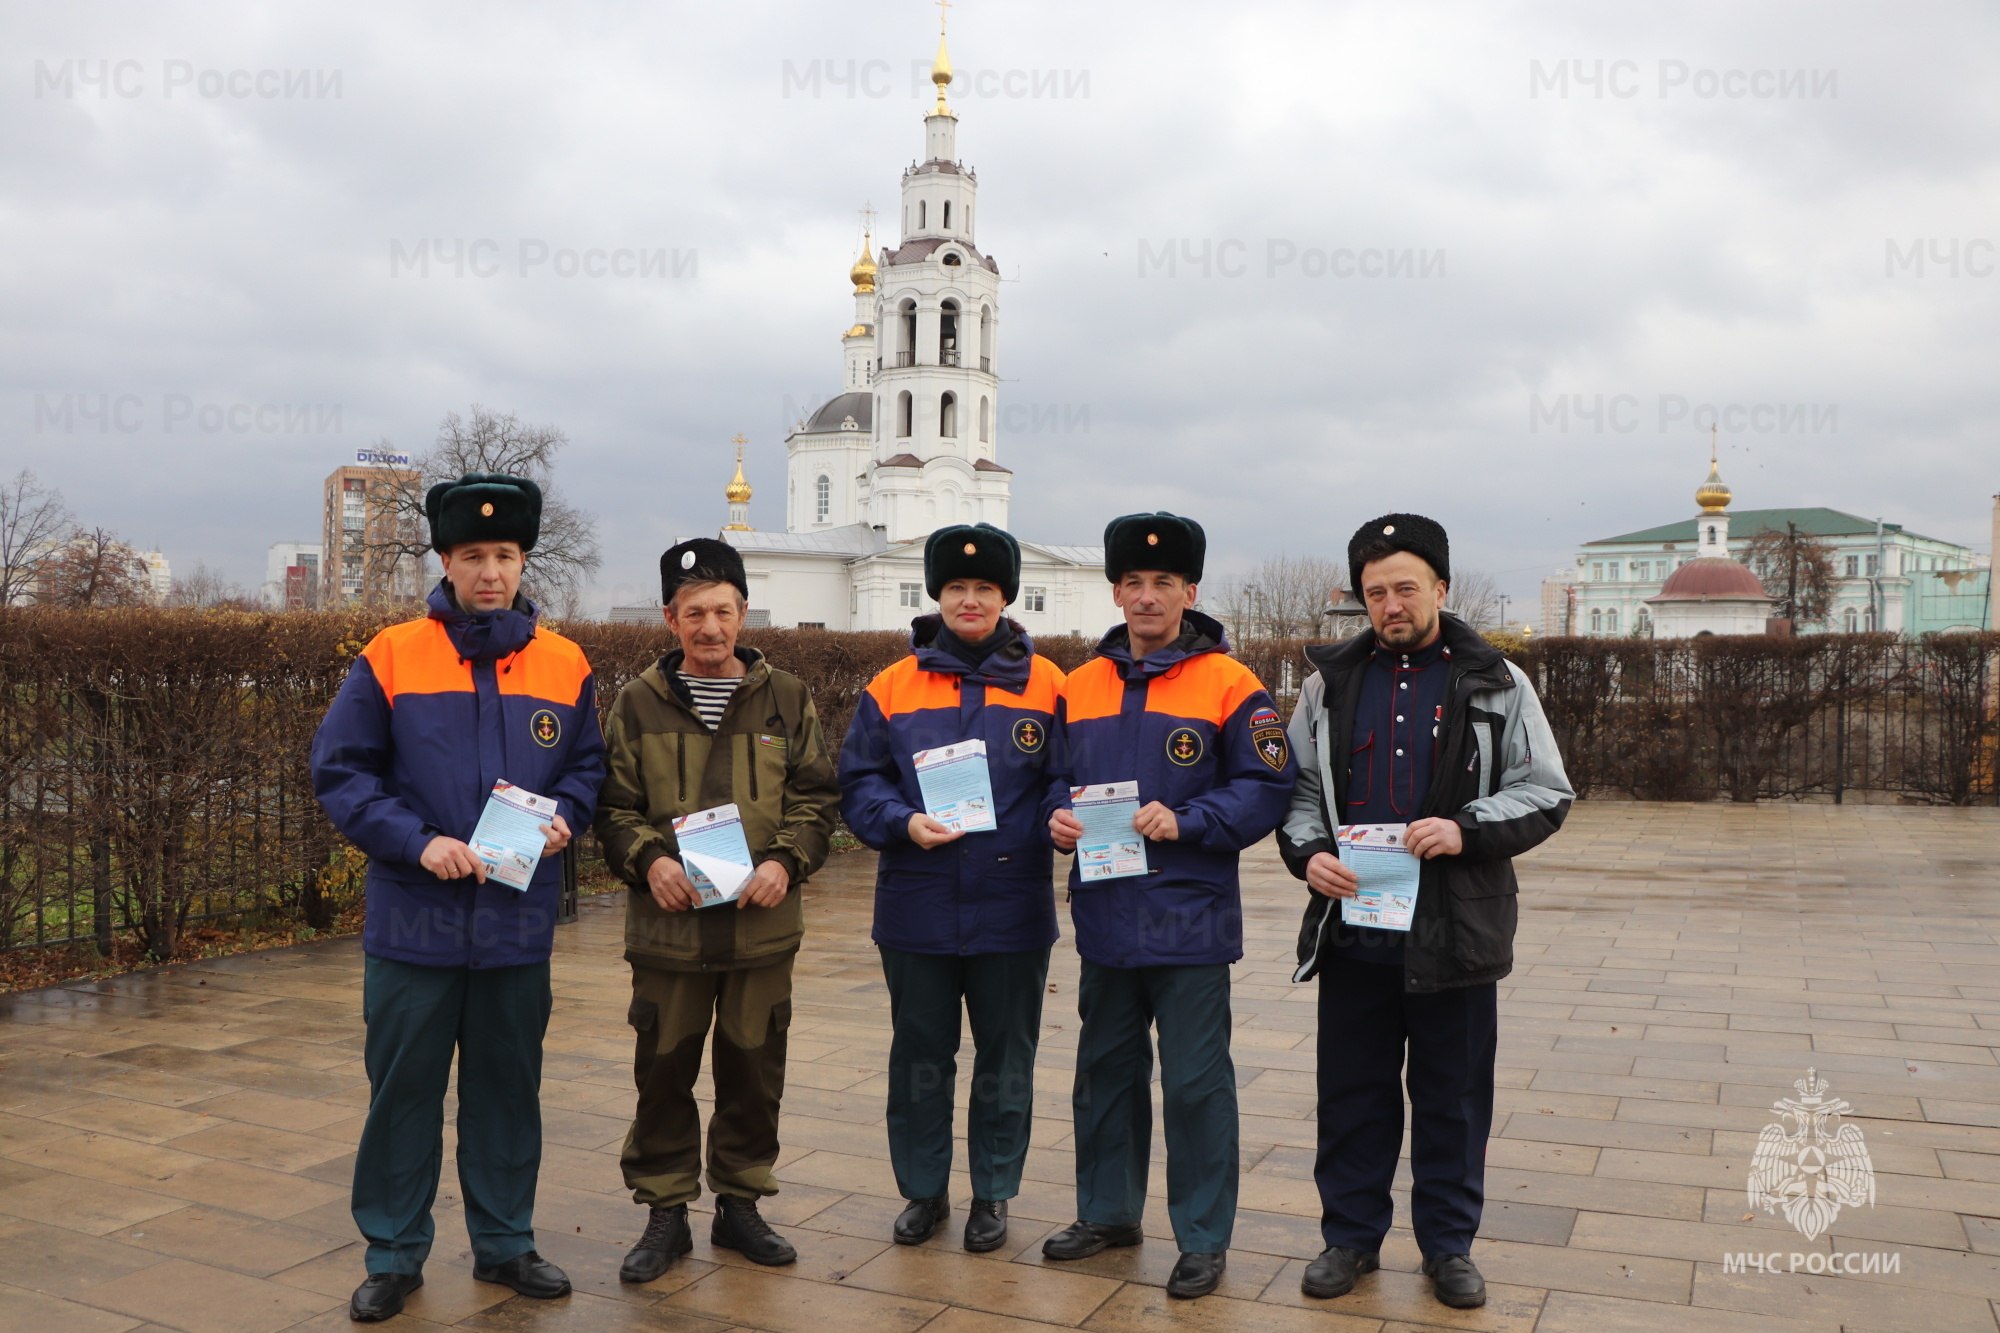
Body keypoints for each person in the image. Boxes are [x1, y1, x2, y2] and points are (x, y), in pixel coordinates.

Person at [311, 472, 606, 1322]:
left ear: (522, 562)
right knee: (403, 1091)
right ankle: (394, 1252)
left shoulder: (565, 662)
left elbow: (587, 766)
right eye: (473, 554)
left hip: (515, 926)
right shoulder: (392, 653)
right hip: (415, 924)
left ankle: (506, 1240)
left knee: (509, 1088)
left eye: (505, 555)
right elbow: (342, 771)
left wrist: (567, 817)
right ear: (445, 559)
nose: (490, 571)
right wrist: (418, 840)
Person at [1279, 513, 1573, 1312]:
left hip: (1457, 933)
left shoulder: (1499, 683)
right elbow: (1300, 794)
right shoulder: (1326, 686)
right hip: (1357, 933)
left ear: (1441, 587)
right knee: (1352, 1094)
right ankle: (1349, 1238)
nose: (1390, 604)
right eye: (1375, 592)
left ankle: (1448, 1247)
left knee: (1452, 1099)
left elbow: (1547, 790)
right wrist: (1310, 856)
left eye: (1405, 587)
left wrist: (1464, 827)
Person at [1040, 512, 1296, 1300]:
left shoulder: (1232, 683)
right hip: (1107, 919)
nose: (1148, 596)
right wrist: (1057, 817)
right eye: (1134, 582)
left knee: (1194, 1085)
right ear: (1116, 589)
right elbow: (1051, 778)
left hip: (1190, 919)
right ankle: (1109, 1213)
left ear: (1190, 589)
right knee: (1106, 1074)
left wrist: (1189, 821)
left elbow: (1266, 788)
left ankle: (1203, 1236)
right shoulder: (1078, 685)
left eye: (1164, 583)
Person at [594, 537, 841, 1282]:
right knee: (662, 1071)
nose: (710, 627)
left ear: (742, 613)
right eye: (694, 612)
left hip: (760, 930)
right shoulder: (637, 701)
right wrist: (649, 859)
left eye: (723, 611)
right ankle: (665, 1210)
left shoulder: (786, 696)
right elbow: (611, 806)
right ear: (671, 617)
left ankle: (741, 1203)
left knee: (754, 1073)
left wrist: (785, 860)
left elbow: (817, 797)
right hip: (669, 934)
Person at [838, 523, 1065, 1253]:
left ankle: (993, 1192)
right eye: (957, 588)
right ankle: (924, 1191)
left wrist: (1059, 815)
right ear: (938, 594)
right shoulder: (892, 686)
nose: (971, 600)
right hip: (918, 905)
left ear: (1006, 597)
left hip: (1012, 906)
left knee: (1006, 1060)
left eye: (985, 589)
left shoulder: (1050, 683)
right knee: (921, 1057)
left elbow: (1065, 775)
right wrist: (901, 822)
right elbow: (859, 780)